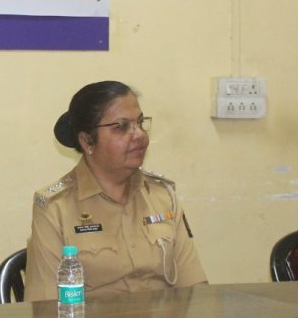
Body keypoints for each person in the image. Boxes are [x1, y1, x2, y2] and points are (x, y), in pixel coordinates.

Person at [26, 81, 207, 300]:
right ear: (87, 141)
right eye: (121, 126)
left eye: (140, 122)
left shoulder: (163, 196)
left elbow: (196, 292)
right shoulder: (55, 207)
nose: (139, 134)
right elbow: (45, 310)